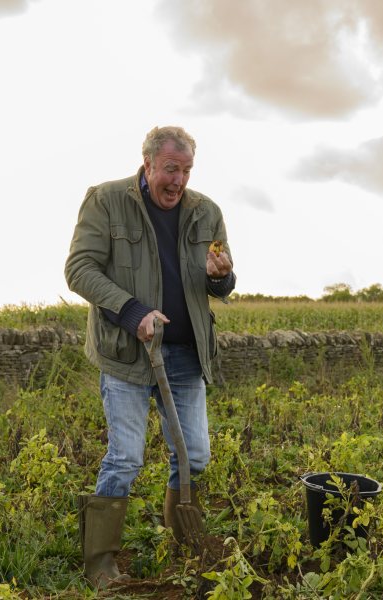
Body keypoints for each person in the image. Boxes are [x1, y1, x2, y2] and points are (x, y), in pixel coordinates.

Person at [65, 125, 235, 588]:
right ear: (148, 166)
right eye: (169, 169)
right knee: (125, 457)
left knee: (194, 454)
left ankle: (183, 542)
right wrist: (131, 311)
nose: (177, 181)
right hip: (127, 352)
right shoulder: (106, 200)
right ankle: (100, 560)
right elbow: (78, 269)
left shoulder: (207, 213)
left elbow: (219, 282)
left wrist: (222, 278)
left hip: (184, 353)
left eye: (185, 170)